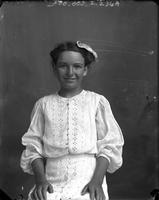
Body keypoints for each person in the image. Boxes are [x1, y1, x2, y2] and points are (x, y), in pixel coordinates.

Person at [20, 41, 124, 200]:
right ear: (54, 69)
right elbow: (33, 147)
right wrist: (41, 180)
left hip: (88, 178)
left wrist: (96, 182)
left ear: (85, 70)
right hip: (51, 178)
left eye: (77, 66)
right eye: (63, 66)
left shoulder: (96, 102)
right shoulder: (43, 105)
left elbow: (108, 146)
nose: (70, 72)